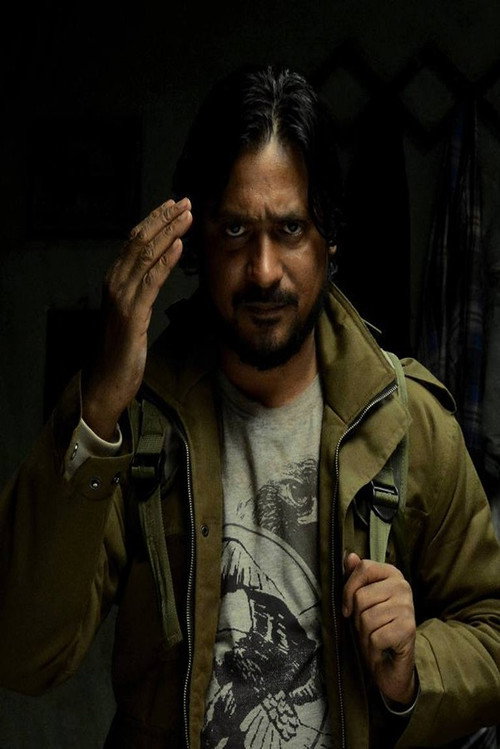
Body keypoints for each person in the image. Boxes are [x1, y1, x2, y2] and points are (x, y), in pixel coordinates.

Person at [0, 64, 499, 749]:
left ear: (329, 237)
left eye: (289, 228)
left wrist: (415, 667)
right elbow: (22, 653)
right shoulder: (135, 422)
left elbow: (491, 632)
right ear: (197, 243)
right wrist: (98, 406)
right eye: (235, 231)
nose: (263, 270)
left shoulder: (406, 420)